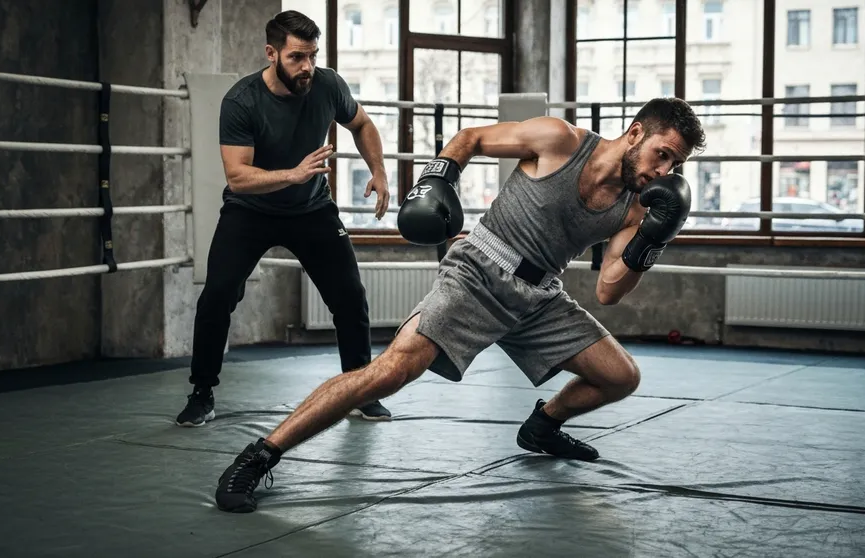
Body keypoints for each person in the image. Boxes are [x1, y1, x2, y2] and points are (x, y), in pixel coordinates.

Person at [213, 98, 706, 513]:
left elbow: (609, 290)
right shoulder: (560, 140)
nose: (663, 172)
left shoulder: (638, 206)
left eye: (674, 166)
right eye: (662, 155)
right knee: (392, 371)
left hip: (538, 298)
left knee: (621, 376)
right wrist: (436, 180)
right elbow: (470, 138)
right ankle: (261, 455)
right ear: (636, 132)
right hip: (478, 271)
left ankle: (544, 424)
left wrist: (652, 240)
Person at [175, 10, 394, 427]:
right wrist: (292, 174)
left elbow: (361, 123)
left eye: (312, 55)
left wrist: (380, 171)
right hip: (250, 211)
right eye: (297, 57)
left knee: (349, 295)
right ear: (271, 53)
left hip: (311, 209)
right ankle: (202, 393)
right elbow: (238, 177)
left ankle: (360, 390)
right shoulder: (242, 101)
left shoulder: (327, 84)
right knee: (218, 294)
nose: (307, 66)